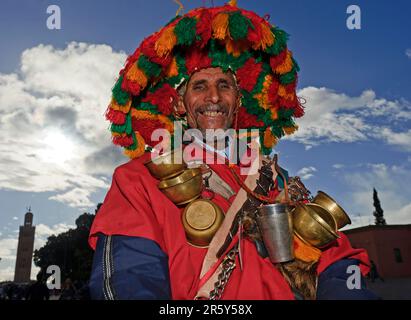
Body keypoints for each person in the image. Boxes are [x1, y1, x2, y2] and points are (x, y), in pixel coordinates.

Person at [88, 2, 377, 300]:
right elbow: (129, 277)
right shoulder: (138, 179)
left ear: (238, 101)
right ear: (178, 105)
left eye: (224, 85)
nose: (213, 96)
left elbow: (336, 256)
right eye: (199, 86)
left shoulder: (275, 179)